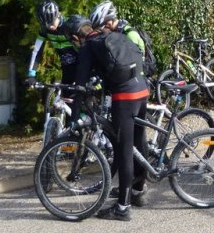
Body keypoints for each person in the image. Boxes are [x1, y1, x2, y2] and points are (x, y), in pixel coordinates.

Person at [61, 15, 150, 221]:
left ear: (76, 36)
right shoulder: (110, 35)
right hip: (142, 90)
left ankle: (122, 207)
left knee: (124, 149)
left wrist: (74, 118)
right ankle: (137, 191)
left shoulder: (87, 48)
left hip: (125, 97)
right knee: (138, 140)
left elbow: (80, 86)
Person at [24, 0, 78, 95]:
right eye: (46, 24)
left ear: (58, 14)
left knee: (81, 101)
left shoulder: (71, 25)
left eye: (52, 22)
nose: (50, 26)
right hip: (67, 68)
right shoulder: (45, 31)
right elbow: (36, 52)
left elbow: (87, 46)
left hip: (83, 66)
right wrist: (31, 75)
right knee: (66, 100)